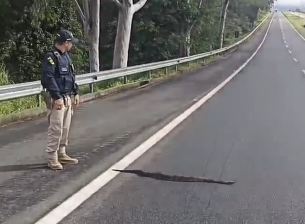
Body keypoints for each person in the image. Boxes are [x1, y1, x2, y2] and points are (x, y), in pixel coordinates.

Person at [41, 29, 80, 170]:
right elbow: (49, 78)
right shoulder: (51, 57)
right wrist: (57, 97)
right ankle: (52, 158)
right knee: (56, 129)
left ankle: (62, 152)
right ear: (66, 42)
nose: (72, 46)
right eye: (71, 43)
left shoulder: (67, 57)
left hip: (67, 97)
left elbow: (71, 77)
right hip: (57, 99)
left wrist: (76, 92)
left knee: (65, 128)